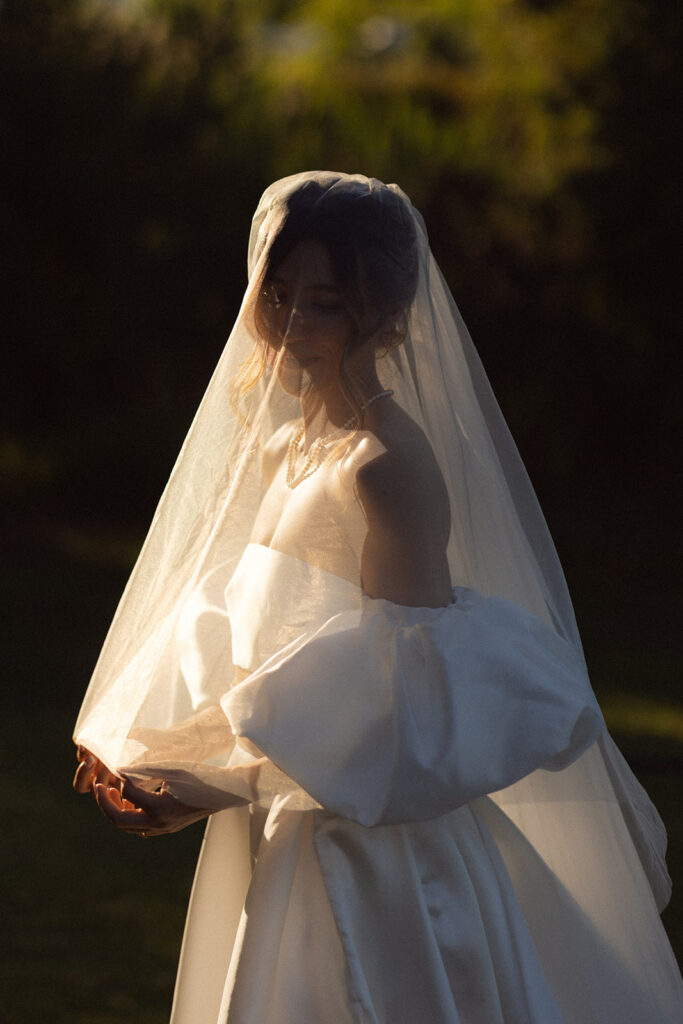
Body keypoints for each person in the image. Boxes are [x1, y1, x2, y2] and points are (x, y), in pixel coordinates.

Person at [74, 171, 682, 1023]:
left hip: (376, 865)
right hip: (281, 834)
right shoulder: (290, 446)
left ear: (384, 316)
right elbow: (274, 665)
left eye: (322, 303)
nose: (287, 326)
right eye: (277, 295)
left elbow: (403, 711)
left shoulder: (386, 469)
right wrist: (164, 765)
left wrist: (212, 786)